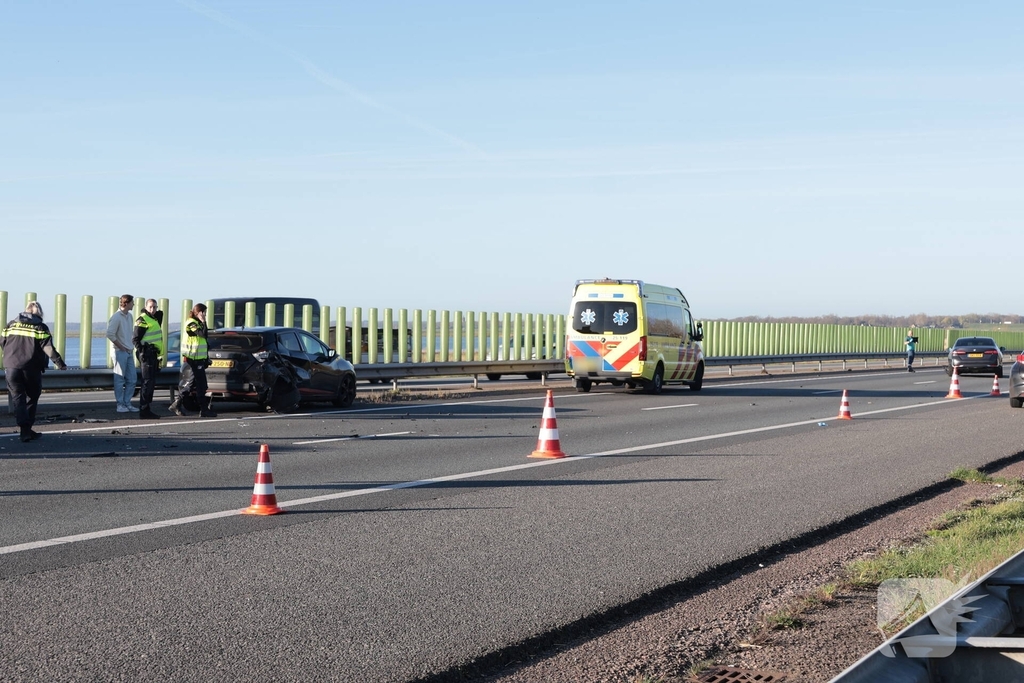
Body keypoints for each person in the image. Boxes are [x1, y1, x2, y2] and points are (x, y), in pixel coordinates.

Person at [1, 301, 69, 442]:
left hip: (11, 367)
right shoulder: (40, 327)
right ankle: (26, 430)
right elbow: (48, 348)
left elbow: (2, 342)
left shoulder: (11, 324)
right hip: (31, 368)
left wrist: (10, 357)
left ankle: (25, 430)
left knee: (18, 398)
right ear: (40, 313)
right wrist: (60, 363)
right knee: (32, 397)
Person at [169, 303, 216, 417]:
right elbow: (202, 334)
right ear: (199, 312)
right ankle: (201, 409)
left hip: (199, 359)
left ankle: (180, 404)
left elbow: (204, 338)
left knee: (197, 384)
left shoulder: (197, 323)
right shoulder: (191, 323)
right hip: (193, 359)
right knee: (198, 385)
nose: (205, 315)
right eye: (204, 312)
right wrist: (203, 321)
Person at [132, 299, 164, 419]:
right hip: (147, 354)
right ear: (146, 307)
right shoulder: (143, 319)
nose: (153, 309)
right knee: (147, 382)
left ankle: (147, 408)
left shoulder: (154, 318)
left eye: (155, 307)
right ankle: (144, 409)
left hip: (153, 354)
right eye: (150, 307)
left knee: (151, 382)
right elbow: (135, 339)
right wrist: (143, 352)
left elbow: (161, 314)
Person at [107, 294, 139, 412]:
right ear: (127, 303)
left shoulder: (129, 316)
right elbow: (110, 333)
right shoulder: (116, 317)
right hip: (119, 351)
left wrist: (130, 346)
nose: (134, 304)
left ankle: (127, 402)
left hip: (129, 350)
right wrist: (121, 347)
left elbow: (129, 333)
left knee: (132, 379)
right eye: (132, 302)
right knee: (120, 379)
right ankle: (120, 404)